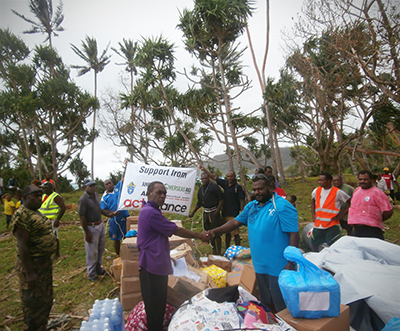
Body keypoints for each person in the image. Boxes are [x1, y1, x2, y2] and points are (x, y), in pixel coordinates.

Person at [208, 174, 299, 313]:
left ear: (270, 187)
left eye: (260, 189)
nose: (257, 192)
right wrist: (214, 231)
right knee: (266, 303)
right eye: (254, 189)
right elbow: (235, 222)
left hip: (279, 266)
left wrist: (291, 262)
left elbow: (294, 234)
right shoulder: (252, 206)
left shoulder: (282, 206)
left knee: (281, 305)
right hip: (259, 265)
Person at [138, 181, 209, 331]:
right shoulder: (150, 212)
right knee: (155, 309)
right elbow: (176, 230)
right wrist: (200, 235)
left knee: (158, 307)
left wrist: (165, 256)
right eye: (159, 193)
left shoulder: (153, 210)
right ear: (149, 194)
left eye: (164, 193)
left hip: (156, 263)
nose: (163, 196)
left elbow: (154, 238)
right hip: (152, 268)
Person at [11, 185, 57, 331]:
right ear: (25, 198)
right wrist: (30, 273)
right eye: (35, 196)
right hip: (33, 265)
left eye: (40, 195)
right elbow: (22, 246)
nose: (39, 198)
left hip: (44, 263)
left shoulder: (36, 212)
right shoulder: (22, 215)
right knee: (33, 302)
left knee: (45, 299)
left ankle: (41, 326)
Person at [78, 179, 118, 281]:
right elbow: (82, 217)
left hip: (99, 224)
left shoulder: (95, 195)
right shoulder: (83, 199)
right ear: (85, 187)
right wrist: (86, 232)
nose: (92, 188)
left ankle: (98, 268)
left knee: (100, 248)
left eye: (93, 186)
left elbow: (98, 209)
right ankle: (91, 274)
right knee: (92, 252)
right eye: (90, 186)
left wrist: (108, 214)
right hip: (91, 227)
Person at [199, 165, 245, 248]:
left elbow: (241, 199)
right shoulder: (225, 184)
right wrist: (204, 169)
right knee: (227, 232)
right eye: (228, 176)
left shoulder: (237, 187)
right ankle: (227, 249)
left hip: (233, 213)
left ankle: (238, 249)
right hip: (225, 212)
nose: (230, 178)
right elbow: (214, 177)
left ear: (234, 176)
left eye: (231, 176)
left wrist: (242, 211)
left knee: (235, 233)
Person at [310, 172, 351, 252]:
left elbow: (350, 202)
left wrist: (342, 215)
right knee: (314, 243)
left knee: (333, 244)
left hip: (332, 224)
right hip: (318, 224)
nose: (319, 182)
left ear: (329, 181)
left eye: (322, 180)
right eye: (319, 180)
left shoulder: (337, 192)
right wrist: (313, 215)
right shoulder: (316, 190)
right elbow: (312, 200)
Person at [348, 170, 393, 239]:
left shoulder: (377, 193)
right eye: (360, 179)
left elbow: (388, 211)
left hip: (372, 229)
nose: (362, 181)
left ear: (372, 180)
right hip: (357, 228)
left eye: (365, 179)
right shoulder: (356, 190)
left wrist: (376, 219)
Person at [188, 172, 224, 255]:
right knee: (209, 233)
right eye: (202, 179)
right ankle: (214, 250)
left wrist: (218, 210)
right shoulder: (201, 189)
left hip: (214, 212)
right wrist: (193, 212)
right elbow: (199, 202)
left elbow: (221, 199)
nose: (204, 180)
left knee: (216, 233)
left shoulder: (214, 187)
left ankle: (219, 251)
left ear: (208, 178)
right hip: (206, 213)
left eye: (205, 178)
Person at [101, 178, 130, 256]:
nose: (109, 185)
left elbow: (124, 177)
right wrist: (111, 213)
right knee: (116, 239)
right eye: (106, 184)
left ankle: (127, 254)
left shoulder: (118, 188)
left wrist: (127, 166)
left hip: (125, 216)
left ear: (112, 183)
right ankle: (118, 254)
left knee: (127, 236)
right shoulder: (104, 197)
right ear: (104, 186)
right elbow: (103, 210)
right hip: (114, 220)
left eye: (110, 183)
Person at [38, 181, 66, 259]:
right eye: (43, 188)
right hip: (43, 220)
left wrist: (58, 219)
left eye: (45, 188)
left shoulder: (56, 196)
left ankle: (57, 254)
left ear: (51, 188)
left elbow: (63, 207)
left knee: (54, 237)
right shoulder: (43, 196)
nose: (44, 189)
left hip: (52, 220)